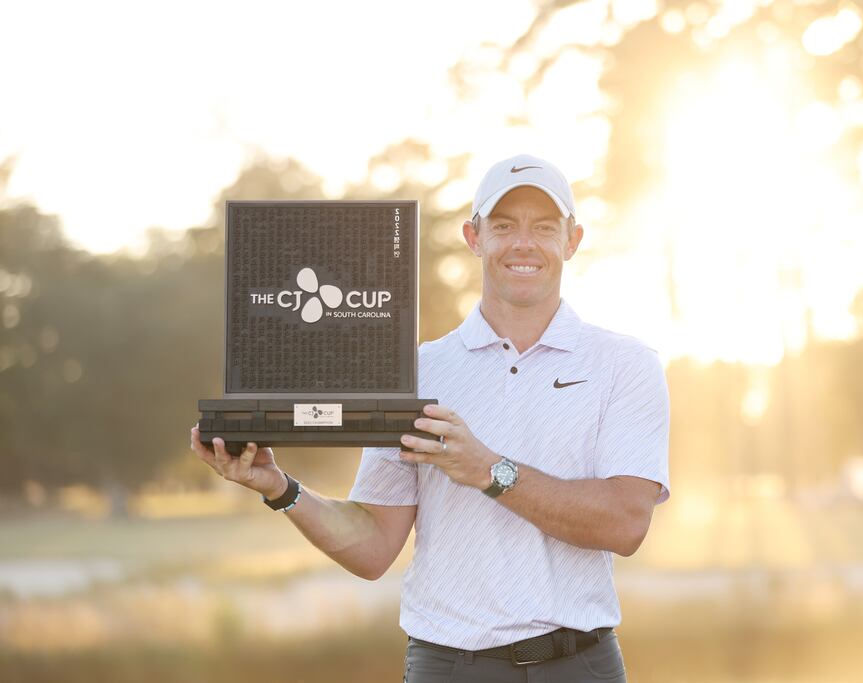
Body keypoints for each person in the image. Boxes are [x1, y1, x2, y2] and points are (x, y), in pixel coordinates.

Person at [190, 153, 671, 682]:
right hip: (449, 666)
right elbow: (373, 546)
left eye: (544, 227)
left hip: (581, 666)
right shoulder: (416, 371)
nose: (523, 244)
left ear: (572, 240)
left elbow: (627, 523)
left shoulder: (625, 364)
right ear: (474, 237)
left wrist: (488, 470)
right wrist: (280, 488)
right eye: (504, 226)